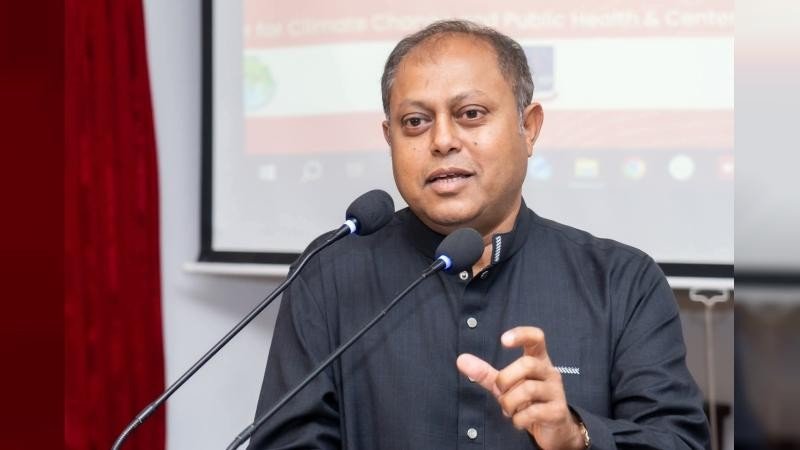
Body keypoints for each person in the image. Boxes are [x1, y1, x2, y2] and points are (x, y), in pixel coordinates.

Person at [248, 20, 709, 449]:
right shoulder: (330, 274)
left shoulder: (621, 282)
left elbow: (679, 441)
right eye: (415, 122)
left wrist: (577, 437)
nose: (442, 141)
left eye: (470, 114)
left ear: (529, 128)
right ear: (389, 138)